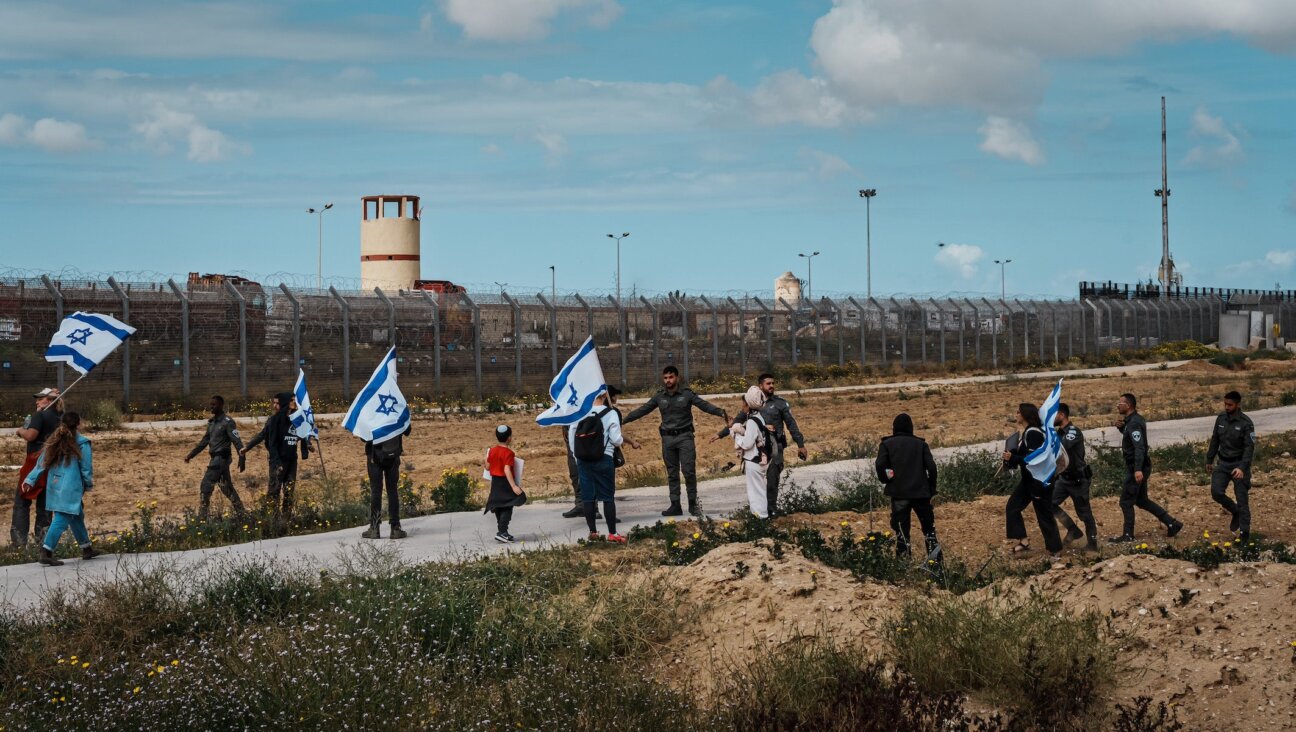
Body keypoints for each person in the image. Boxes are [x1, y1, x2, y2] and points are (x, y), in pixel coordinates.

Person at [623, 365, 729, 516]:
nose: (668, 380)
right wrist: (623, 420)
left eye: (671, 377)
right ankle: (675, 505)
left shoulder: (687, 394)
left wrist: (721, 413)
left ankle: (693, 505)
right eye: (665, 378)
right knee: (672, 473)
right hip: (667, 439)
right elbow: (643, 410)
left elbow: (704, 405)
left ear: (677, 378)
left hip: (685, 437)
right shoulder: (659, 396)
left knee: (688, 471)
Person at [24, 412, 102, 566]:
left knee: (76, 514)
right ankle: (46, 551)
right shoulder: (82, 443)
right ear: (79, 424)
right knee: (62, 517)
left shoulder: (55, 439)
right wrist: (88, 484)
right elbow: (86, 468)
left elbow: (42, 462)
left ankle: (86, 548)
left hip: (55, 483)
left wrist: (30, 479)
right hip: (71, 486)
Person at [1109, 392, 1183, 543]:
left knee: (1126, 502)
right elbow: (1132, 438)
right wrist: (1122, 429)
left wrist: (1137, 469)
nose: (1118, 405)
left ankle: (1128, 535)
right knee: (1142, 500)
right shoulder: (1132, 420)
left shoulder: (1134, 422)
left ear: (1128, 405)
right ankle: (1172, 523)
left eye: (1120, 403)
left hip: (1137, 467)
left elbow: (1139, 447)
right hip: (1140, 466)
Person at [569, 391, 634, 541]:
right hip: (604, 458)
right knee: (607, 497)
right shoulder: (610, 413)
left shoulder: (579, 413)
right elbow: (617, 439)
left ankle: (593, 532)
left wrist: (577, 456)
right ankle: (612, 533)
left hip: (583, 460)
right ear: (604, 396)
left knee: (588, 497)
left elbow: (572, 437)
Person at [1002, 403, 1063, 559]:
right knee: (1013, 507)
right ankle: (1023, 540)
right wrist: (1012, 457)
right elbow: (1024, 456)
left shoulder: (1033, 434)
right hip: (1028, 481)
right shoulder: (1028, 432)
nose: (1015, 415)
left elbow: (1034, 459)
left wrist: (1013, 457)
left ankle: (1055, 550)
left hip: (1039, 482)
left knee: (1044, 514)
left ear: (1025, 415)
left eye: (1018, 412)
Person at [875, 413, 939, 560]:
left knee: (902, 533)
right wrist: (931, 488)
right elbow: (932, 468)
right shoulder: (921, 444)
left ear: (894, 428)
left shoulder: (886, 444)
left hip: (899, 493)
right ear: (911, 428)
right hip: (921, 494)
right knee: (929, 531)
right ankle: (935, 563)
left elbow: (880, 465)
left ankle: (904, 564)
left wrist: (886, 480)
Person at [241, 392, 310, 519]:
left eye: (277, 403)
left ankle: (286, 518)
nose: (274, 405)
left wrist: (308, 444)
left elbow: (303, 433)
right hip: (278, 460)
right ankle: (272, 519)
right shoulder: (274, 420)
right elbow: (264, 435)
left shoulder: (296, 419)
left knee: (289, 490)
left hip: (291, 460)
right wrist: (248, 447)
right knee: (274, 490)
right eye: (292, 401)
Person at [183, 395, 248, 520]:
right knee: (226, 488)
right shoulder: (212, 423)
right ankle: (242, 513)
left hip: (221, 459)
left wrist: (242, 457)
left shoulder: (227, 422)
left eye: (214, 405)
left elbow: (236, 440)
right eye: (211, 404)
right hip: (215, 458)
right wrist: (191, 455)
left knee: (205, 486)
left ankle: (202, 518)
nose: (211, 407)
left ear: (221, 405)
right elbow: (204, 441)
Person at [11, 387, 61, 547]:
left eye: (41, 398)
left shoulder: (40, 415)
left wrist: (20, 431)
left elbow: (31, 435)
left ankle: (18, 544)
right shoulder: (60, 416)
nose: (37, 401)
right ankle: (43, 544)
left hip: (35, 462)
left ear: (49, 400)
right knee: (45, 505)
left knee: (22, 501)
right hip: (53, 462)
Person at [1206, 390, 1255, 541]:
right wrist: (1209, 459)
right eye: (1225, 404)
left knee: (1242, 500)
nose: (1227, 407)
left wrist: (1242, 468)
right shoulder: (1220, 419)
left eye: (1230, 404)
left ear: (1238, 404)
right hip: (1223, 463)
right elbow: (1215, 440)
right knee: (1216, 492)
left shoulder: (1246, 423)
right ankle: (1235, 512)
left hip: (1239, 465)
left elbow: (1249, 448)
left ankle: (1245, 535)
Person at [1052, 403, 1098, 551]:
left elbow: (1060, 449)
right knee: (1049, 504)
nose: (1051, 418)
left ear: (1062, 415)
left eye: (1054, 415)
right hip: (1064, 479)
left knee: (1084, 514)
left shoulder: (1073, 432)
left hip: (1078, 480)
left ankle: (1092, 544)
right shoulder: (1058, 433)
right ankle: (1073, 530)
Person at [362, 424, 411, 540]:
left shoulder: (371, 411)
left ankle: (374, 528)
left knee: (376, 491)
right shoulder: (396, 409)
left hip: (374, 456)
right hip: (393, 456)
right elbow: (407, 430)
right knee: (392, 491)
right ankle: (395, 528)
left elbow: (363, 437)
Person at [731, 387, 772, 518]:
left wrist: (736, 435)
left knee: (755, 493)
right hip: (760, 459)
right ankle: (761, 516)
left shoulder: (752, 421)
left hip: (753, 461)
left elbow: (748, 443)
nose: (742, 407)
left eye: (744, 404)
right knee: (759, 490)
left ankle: (760, 518)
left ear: (749, 405)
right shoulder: (759, 417)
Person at [484, 425, 525, 543]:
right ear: (509, 438)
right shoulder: (509, 453)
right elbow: (507, 470)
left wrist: (485, 458)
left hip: (495, 483)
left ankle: (503, 531)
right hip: (505, 483)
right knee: (508, 504)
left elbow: (487, 467)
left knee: (498, 505)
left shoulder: (491, 451)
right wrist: (513, 486)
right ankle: (502, 532)